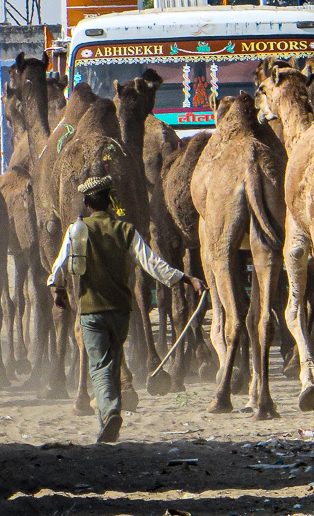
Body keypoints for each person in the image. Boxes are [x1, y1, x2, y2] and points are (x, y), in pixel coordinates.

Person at [47, 175, 207, 443]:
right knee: (114, 361)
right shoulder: (126, 231)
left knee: (99, 367)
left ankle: (110, 413)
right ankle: (110, 417)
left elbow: (59, 267)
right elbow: (154, 264)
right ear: (109, 202)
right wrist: (187, 278)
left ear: (86, 203)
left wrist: (59, 292)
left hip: (91, 312)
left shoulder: (77, 230)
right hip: (120, 312)